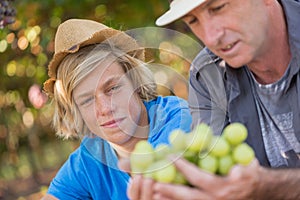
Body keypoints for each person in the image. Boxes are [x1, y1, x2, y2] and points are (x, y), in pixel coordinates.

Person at [124, 0, 300, 199]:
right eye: (193, 20)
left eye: (218, 8)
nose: (211, 37)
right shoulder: (207, 73)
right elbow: (213, 169)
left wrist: (269, 186)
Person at [41, 18, 192, 200]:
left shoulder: (176, 119)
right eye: (87, 100)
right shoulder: (86, 162)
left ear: (134, 81)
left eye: (112, 88)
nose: (105, 109)